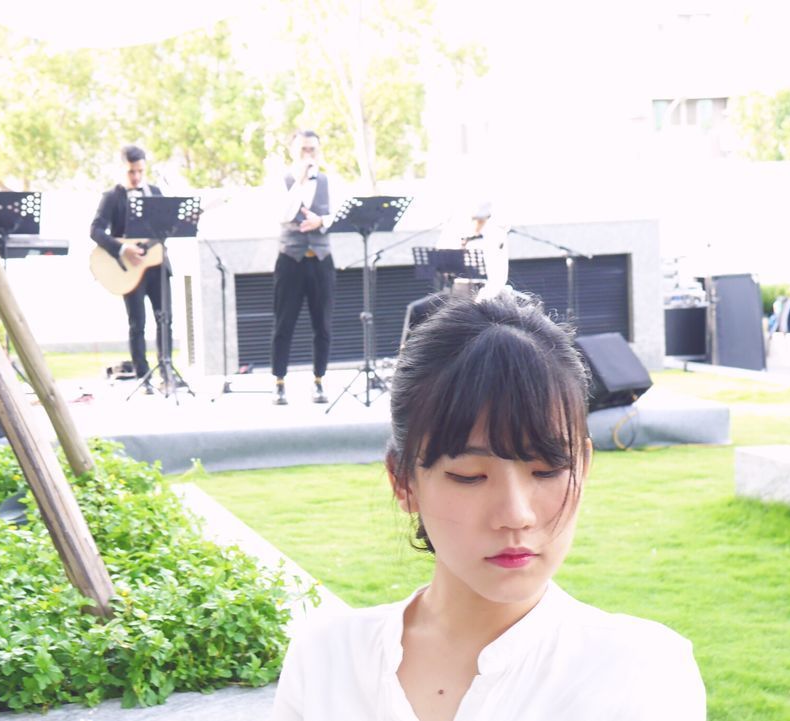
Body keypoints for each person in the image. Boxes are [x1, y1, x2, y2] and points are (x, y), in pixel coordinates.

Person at [273, 294, 706, 720]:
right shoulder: (326, 658)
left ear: (584, 466)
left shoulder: (643, 672)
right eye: (469, 476)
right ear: (403, 481)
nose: (517, 515)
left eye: (548, 468)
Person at [90, 144, 166, 392]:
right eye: (131, 172)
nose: (136, 177)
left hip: (157, 266)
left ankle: (167, 372)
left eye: (140, 171)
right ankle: (144, 377)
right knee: (138, 323)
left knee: (165, 319)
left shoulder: (155, 193)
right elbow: (96, 230)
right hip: (129, 269)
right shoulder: (113, 196)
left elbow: (165, 228)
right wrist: (123, 249)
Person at [271, 129, 338, 406]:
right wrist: (298, 181)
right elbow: (283, 214)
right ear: (293, 152)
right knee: (283, 323)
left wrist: (321, 221)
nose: (309, 155)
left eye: (313, 149)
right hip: (290, 259)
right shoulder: (283, 180)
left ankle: (319, 381)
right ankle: (279, 382)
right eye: (303, 150)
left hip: (321, 259)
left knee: (322, 324)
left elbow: (339, 212)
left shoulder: (328, 179)